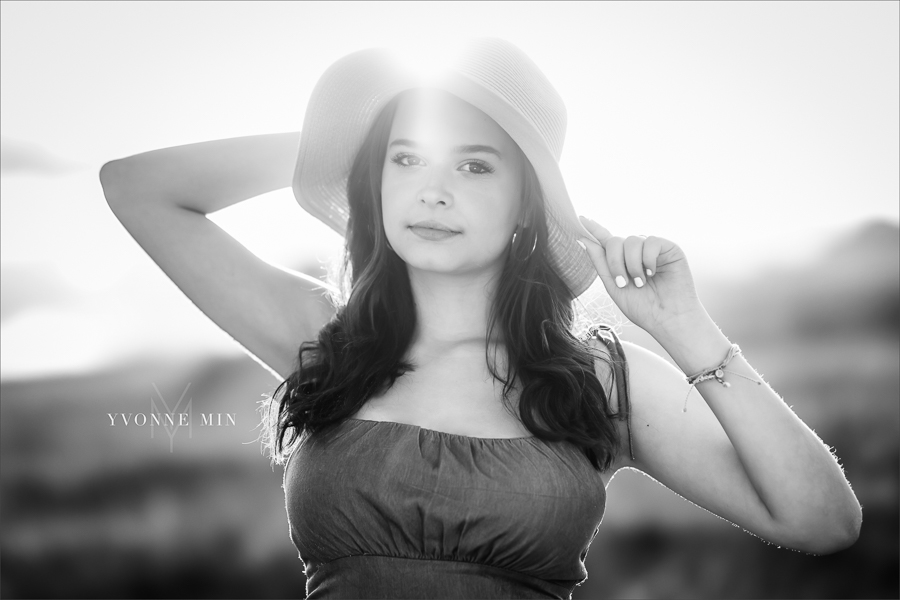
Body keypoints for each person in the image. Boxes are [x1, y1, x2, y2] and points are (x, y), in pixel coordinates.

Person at [99, 38, 861, 600]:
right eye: (406, 160)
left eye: (472, 165)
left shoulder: (598, 379)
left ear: (526, 202)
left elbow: (822, 521)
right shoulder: (324, 340)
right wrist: (345, 140)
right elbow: (136, 188)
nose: (432, 191)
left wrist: (685, 328)